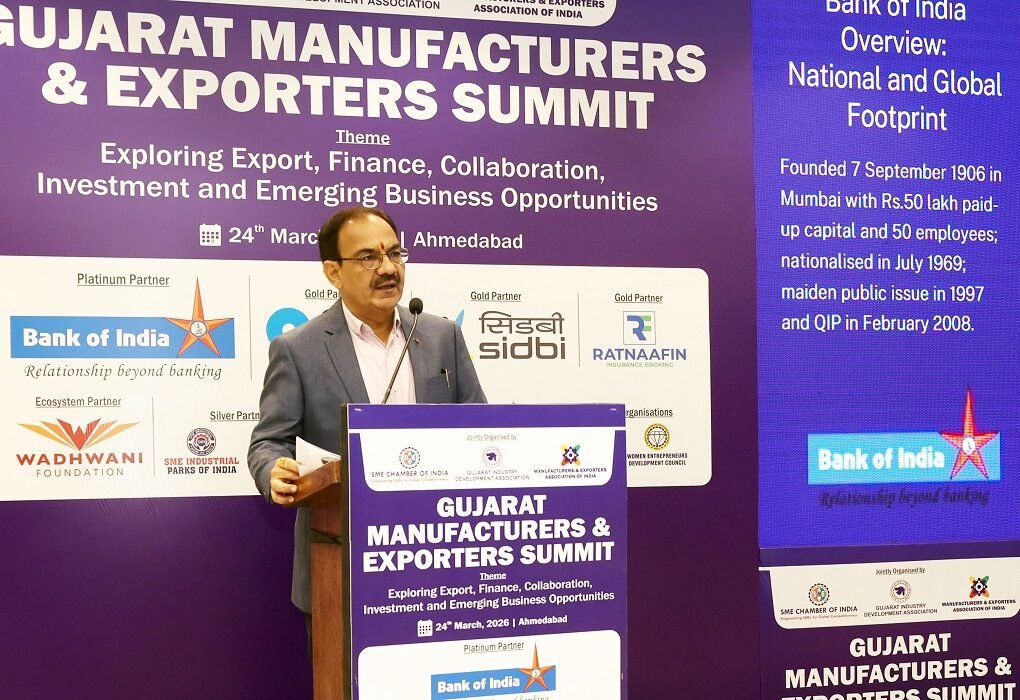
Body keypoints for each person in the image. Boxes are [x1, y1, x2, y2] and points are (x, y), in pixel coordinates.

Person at [247, 206, 486, 615]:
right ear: (333, 272)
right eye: (368, 258)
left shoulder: (442, 335)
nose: (388, 268)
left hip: (439, 557)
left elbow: (479, 425)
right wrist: (273, 470)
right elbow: (269, 442)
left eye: (394, 253)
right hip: (342, 563)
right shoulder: (298, 349)